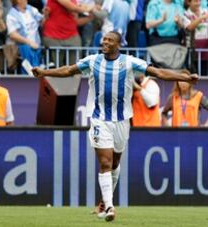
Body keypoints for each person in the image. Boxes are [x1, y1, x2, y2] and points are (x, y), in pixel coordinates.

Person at [32, 31, 198, 222]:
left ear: (119, 44)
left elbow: (159, 72)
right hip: (99, 119)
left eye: (110, 40)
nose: (105, 42)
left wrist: (185, 78)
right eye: (104, 39)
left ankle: (104, 201)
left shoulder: (129, 62)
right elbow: (69, 70)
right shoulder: (93, 60)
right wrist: (44, 72)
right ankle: (110, 207)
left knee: (115, 164)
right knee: (105, 163)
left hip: (121, 120)